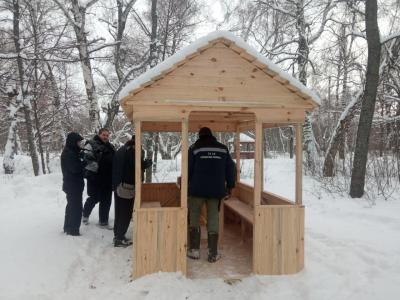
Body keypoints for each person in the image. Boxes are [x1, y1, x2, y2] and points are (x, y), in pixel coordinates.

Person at [187, 127, 236, 263]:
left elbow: (188, 168)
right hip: (216, 190)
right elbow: (231, 168)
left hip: (197, 190)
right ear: (211, 135)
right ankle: (213, 252)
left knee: (195, 216)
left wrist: (186, 185)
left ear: (200, 136)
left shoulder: (194, 148)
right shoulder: (223, 148)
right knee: (213, 217)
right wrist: (230, 185)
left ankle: (194, 250)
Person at [112, 136, 152, 247]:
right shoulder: (131, 151)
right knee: (125, 213)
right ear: (136, 143)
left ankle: (118, 236)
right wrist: (146, 164)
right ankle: (119, 239)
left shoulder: (122, 149)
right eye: (140, 144)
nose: (141, 146)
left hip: (119, 185)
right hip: (126, 187)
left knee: (119, 212)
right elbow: (135, 166)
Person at [82, 128, 115, 228]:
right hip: (95, 177)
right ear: (99, 134)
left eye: (107, 135)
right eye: (104, 135)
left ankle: (103, 221)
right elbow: (86, 160)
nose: (106, 137)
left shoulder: (111, 146)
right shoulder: (91, 144)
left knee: (106, 200)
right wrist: (99, 162)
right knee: (94, 198)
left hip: (108, 178)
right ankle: (85, 214)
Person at [61, 132, 86, 236]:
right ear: (73, 142)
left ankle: (68, 227)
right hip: (73, 185)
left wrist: (81, 155)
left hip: (72, 184)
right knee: (76, 208)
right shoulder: (69, 153)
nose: (80, 144)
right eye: (78, 142)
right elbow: (75, 169)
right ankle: (73, 230)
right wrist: (84, 162)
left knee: (71, 206)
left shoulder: (71, 151)